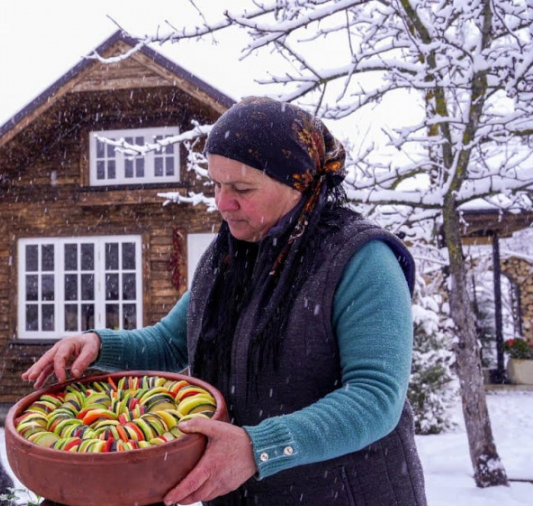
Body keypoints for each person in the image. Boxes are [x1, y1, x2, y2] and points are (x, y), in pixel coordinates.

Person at [23, 97, 426, 506]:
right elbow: (171, 343)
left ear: (298, 184)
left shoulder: (361, 260)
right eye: (216, 184)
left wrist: (259, 447)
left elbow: (376, 398)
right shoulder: (227, 256)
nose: (222, 202)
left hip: (347, 495)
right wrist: (100, 344)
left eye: (242, 189)